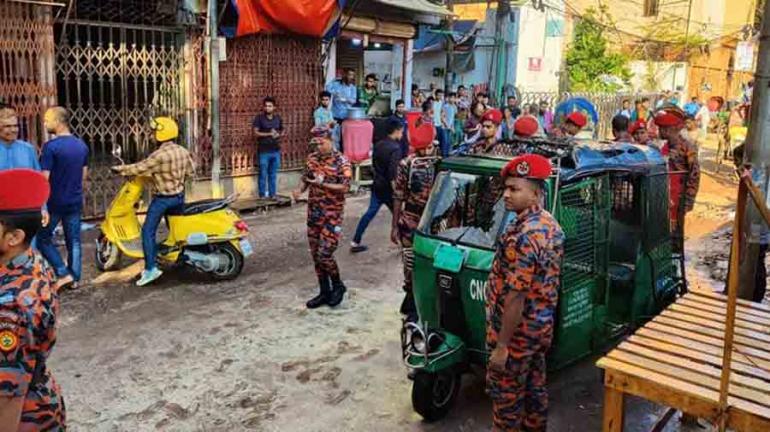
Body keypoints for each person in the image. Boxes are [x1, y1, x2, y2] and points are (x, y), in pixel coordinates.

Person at [486, 154, 564, 432]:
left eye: (514, 189)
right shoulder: (547, 223)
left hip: (517, 335)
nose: (506, 195)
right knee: (534, 393)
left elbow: (516, 295)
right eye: (506, 188)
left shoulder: (524, 235)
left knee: (506, 404)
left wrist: (502, 346)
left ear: (536, 194)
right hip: (538, 331)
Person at [0, 169, 66, 431]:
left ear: (14, 238)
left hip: (24, 418)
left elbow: (6, 394)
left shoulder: (9, 308)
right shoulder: (30, 258)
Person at [111, 117, 195, 286]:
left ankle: (150, 269)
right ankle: (181, 258)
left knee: (148, 231)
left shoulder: (159, 155)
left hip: (163, 199)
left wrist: (121, 169)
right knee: (176, 230)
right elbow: (191, 172)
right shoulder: (182, 151)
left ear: (161, 133)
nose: (151, 135)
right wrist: (173, 179)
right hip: (179, 196)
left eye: (154, 132)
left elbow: (140, 168)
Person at [292, 130, 352, 309]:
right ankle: (324, 291)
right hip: (314, 213)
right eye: (316, 144)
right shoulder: (312, 159)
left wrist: (322, 184)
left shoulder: (341, 161)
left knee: (324, 254)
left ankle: (338, 285)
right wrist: (299, 191)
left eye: (321, 143)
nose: (318, 147)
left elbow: (345, 187)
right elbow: (306, 179)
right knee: (315, 255)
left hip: (332, 214)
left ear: (330, 140)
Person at [36, 107, 89, 290]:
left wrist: (41, 205)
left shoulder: (51, 147)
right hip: (74, 201)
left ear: (58, 122)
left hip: (54, 203)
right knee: (73, 240)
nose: (45, 124)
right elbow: (83, 176)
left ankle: (62, 272)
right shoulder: (81, 145)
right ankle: (74, 279)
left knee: (42, 238)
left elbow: (44, 179)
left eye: (47, 120)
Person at [392, 123, 437, 323]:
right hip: (410, 220)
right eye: (422, 149)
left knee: (428, 265)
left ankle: (422, 304)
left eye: (429, 148)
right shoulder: (406, 165)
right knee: (410, 264)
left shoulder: (440, 164)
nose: (426, 153)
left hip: (433, 223)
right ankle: (411, 299)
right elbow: (398, 196)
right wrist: (394, 226)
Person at [350, 119, 403, 253]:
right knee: (399, 216)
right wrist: (396, 190)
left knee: (370, 213)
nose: (402, 135)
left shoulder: (378, 145)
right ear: (396, 131)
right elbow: (392, 173)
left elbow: (374, 165)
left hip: (377, 185)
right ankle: (405, 243)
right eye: (401, 132)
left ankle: (355, 241)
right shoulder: (396, 149)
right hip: (388, 188)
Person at [655, 111, 701, 228]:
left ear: (668, 130)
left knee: (675, 233)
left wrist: (689, 201)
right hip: (664, 197)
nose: (659, 132)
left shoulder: (688, 148)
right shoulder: (664, 147)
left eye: (661, 129)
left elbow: (694, 175)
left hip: (679, 199)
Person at [252, 97, 283, 199]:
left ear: (274, 107)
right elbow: (255, 133)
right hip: (264, 151)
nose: (267, 108)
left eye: (270, 106)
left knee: (273, 174)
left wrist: (278, 134)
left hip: (275, 150)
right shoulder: (259, 118)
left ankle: (272, 194)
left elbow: (282, 131)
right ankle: (262, 195)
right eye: (265, 106)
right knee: (263, 174)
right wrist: (269, 133)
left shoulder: (278, 118)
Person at [431, 89, 450, 157]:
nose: (440, 97)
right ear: (435, 95)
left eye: (441, 95)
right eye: (439, 95)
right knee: (434, 142)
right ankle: (433, 156)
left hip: (439, 125)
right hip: (433, 125)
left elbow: (442, 114)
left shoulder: (441, 103)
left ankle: (443, 155)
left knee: (443, 141)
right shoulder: (432, 103)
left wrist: (445, 124)